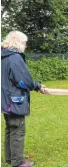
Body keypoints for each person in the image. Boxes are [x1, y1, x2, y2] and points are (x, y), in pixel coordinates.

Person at [1, 31, 49, 167]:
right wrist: (37, 85)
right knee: (17, 129)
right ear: (16, 41)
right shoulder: (14, 57)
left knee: (10, 129)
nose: (25, 46)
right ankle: (18, 162)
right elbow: (24, 80)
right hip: (14, 100)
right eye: (23, 43)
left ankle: (10, 158)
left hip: (6, 101)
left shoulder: (4, 56)